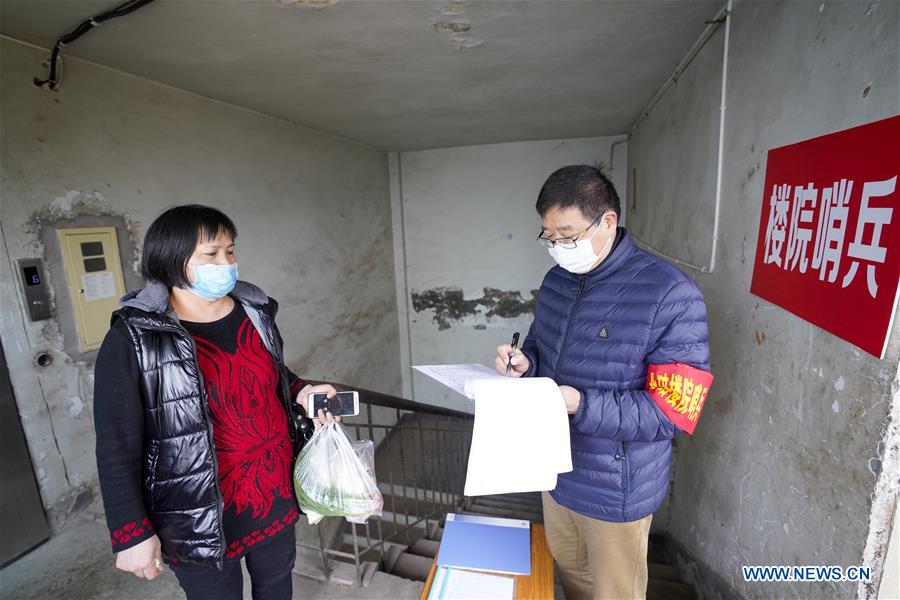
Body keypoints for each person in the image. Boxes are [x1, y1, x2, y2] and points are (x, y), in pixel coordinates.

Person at [94, 204, 338, 600]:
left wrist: (300, 391)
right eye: (211, 254)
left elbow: (270, 374)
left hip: (272, 490)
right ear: (171, 259)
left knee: (277, 584)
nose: (225, 263)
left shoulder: (254, 312)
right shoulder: (135, 338)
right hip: (196, 513)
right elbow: (115, 444)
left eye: (230, 250)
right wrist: (131, 532)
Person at [494, 165, 712, 600]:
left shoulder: (670, 294)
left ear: (607, 221)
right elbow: (539, 347)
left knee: (615, 591)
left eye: (568, 235)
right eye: (549, 237)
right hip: (555, 467)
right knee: (572, 574)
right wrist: (524, 364)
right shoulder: (557, 281)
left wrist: (581, 404)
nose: (558, 248)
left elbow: (671, 412)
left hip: (616, 486)